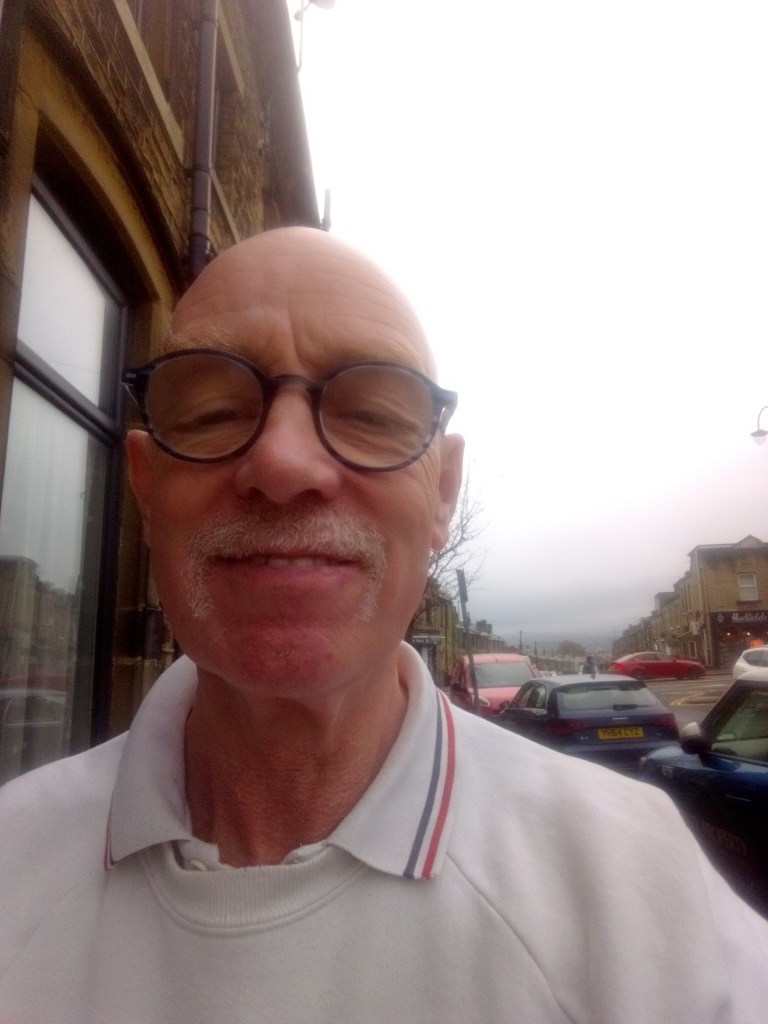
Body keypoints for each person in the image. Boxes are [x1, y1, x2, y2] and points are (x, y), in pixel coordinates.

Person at [1, 227, 767, 1024]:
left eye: (369, 412)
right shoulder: (13, 860)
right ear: (146, 485)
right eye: (212, 409)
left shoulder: (638, 889)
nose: (285, 463)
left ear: (442, 496)